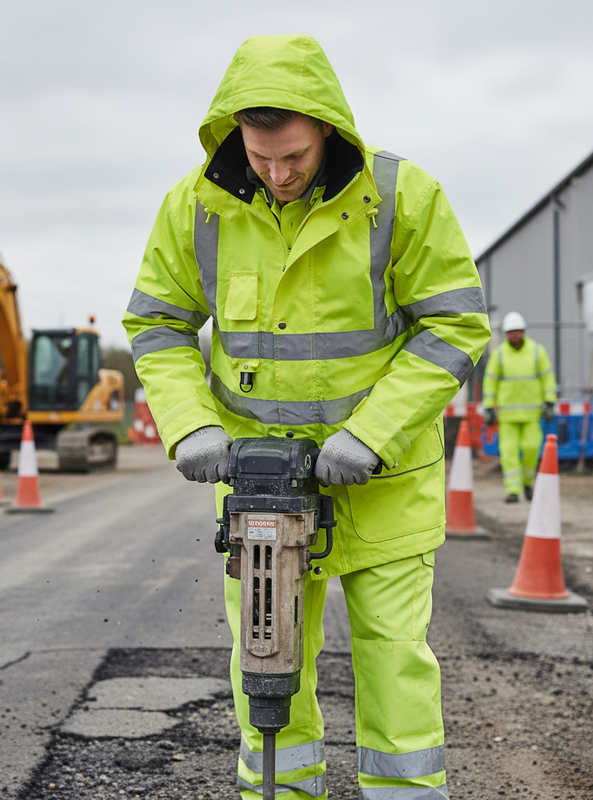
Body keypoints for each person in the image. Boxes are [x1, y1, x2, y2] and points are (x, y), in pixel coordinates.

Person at [123, 34, 491, 799]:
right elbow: (157, 323)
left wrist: (371, 435)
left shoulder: (401, 196)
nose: (279, 174)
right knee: (269, 671)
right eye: (260, 158)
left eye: (293, 155)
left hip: (384, 488)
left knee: (394, 666)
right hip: (262, 499)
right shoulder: (197, 205)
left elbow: (454, 325)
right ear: (234, 134)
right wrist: (190, 424)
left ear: (328, 125)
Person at [482, 311, 557, 503]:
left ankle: (528, 482)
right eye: (511, 332)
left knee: (531, 448)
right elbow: (490, 381)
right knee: (508, 452)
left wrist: (550, 402)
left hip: (532, 414)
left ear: (523, 331)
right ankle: (513, 490)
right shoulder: (499, 354)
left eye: (517, 331)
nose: (514, 335)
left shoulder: (537, 351)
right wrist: (488, 408)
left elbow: (547, 377)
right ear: (506, 334)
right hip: (507, 415)